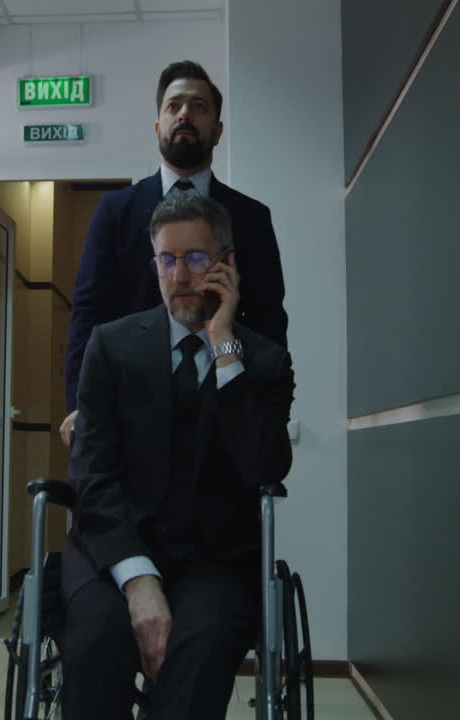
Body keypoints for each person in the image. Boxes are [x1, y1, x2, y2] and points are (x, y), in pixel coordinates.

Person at [57, 190, 295, 719]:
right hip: (112, 550)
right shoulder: (111, 346)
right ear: (154, 264)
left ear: (227, 264)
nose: (180, 276)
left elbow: (264, 467)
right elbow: (92, 476)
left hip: (215, 561)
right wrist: (138, 579)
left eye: (195, 259)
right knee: (98, 642)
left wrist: (224, 342)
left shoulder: (263, 361)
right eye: (167, 260)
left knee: (199, 649)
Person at [60, 60, 288, 446]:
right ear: (158, 128)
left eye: (198, 107)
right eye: (173, 106)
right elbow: (89, 315)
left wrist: (268, 408)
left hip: (221, 410)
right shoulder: (115, 212)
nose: (184, 114)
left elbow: (268, 321)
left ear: (217, 132)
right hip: (126, 406)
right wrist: (79, 405)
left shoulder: (251, 217)